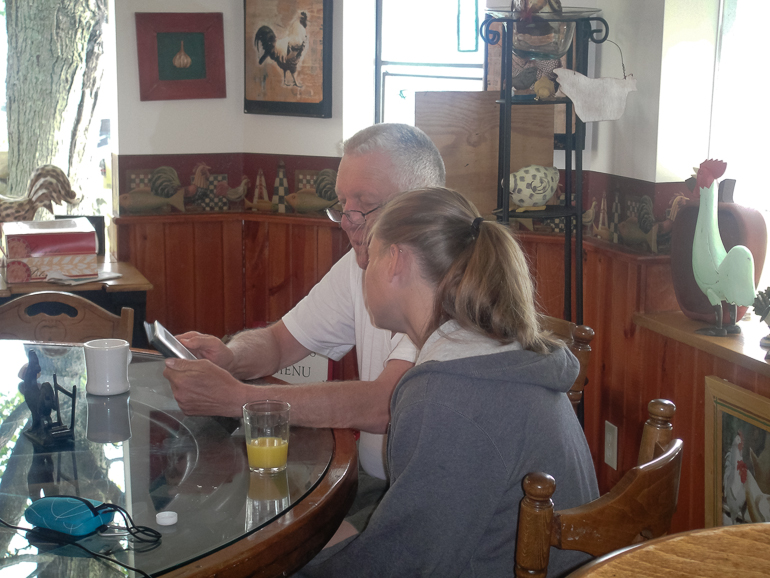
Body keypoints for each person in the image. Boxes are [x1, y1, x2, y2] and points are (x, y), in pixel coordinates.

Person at [296, 187, 599, 578]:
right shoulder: (491, 356)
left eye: (369, 257)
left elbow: (408, 565)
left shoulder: (445, 397)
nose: (363, 271)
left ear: (395, 261)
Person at [162, 123, 446, 528]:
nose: (347, 221)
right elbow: (281, 341)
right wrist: (231, 357)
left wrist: (239, 401)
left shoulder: (445, 279)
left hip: (420, 503)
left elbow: (387, 405)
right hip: (369, 483)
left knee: (263, 540)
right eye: (342, 204)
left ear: (416, 207)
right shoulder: (360, 262)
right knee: (245, 524)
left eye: (362, 205)